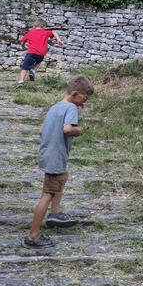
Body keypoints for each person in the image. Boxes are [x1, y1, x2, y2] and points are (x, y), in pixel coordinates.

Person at [22, 76, 94, 249]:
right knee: (47, 193)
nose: (83, 103)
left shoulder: (55, 107)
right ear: (75, 94)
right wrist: (79, 130)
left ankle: (55, 214)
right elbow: (68, 129)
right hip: (55, 156)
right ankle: (32, 236)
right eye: (83, 99)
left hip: (48, 153)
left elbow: (44, 130)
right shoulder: (70, 108)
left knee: (63, 177)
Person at [17, 18, 64, 87]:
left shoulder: (30, 33)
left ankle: (21, 81)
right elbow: (53, 32)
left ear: (35, 25)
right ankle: (33, 70)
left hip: (31, 53)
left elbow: (22, 41)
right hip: (41, 54)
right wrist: (59, 40)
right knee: (38, 61)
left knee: (25, 67)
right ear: (44, 26)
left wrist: (23, 47)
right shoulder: (45, 32)